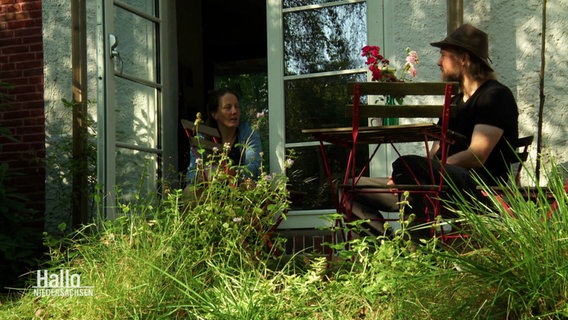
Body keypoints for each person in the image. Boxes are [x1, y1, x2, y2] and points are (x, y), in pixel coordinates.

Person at [348, 24, 519, 239]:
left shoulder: (495, 96)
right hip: (433, 182)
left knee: (408, 165)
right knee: (347, 186)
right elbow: (434, 152)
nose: (438, 62)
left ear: (463, 58)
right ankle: (387, 247)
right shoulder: (455, 103)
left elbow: (477, 154)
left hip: (476, 187)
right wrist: (404, 176)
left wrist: (419, 169)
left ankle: (417, 247)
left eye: (443, 55)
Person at [185, 88, 263, 187]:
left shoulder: (248, 133)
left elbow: (255, 168)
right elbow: (191, 174)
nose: (234, 111)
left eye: (237, 107)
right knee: (189, 190)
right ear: (215, 114)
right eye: (228, 107)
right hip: (211, 191)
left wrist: (231, 171)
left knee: (249, 185)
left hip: (239, 189)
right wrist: (204, 175)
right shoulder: (202, 138)